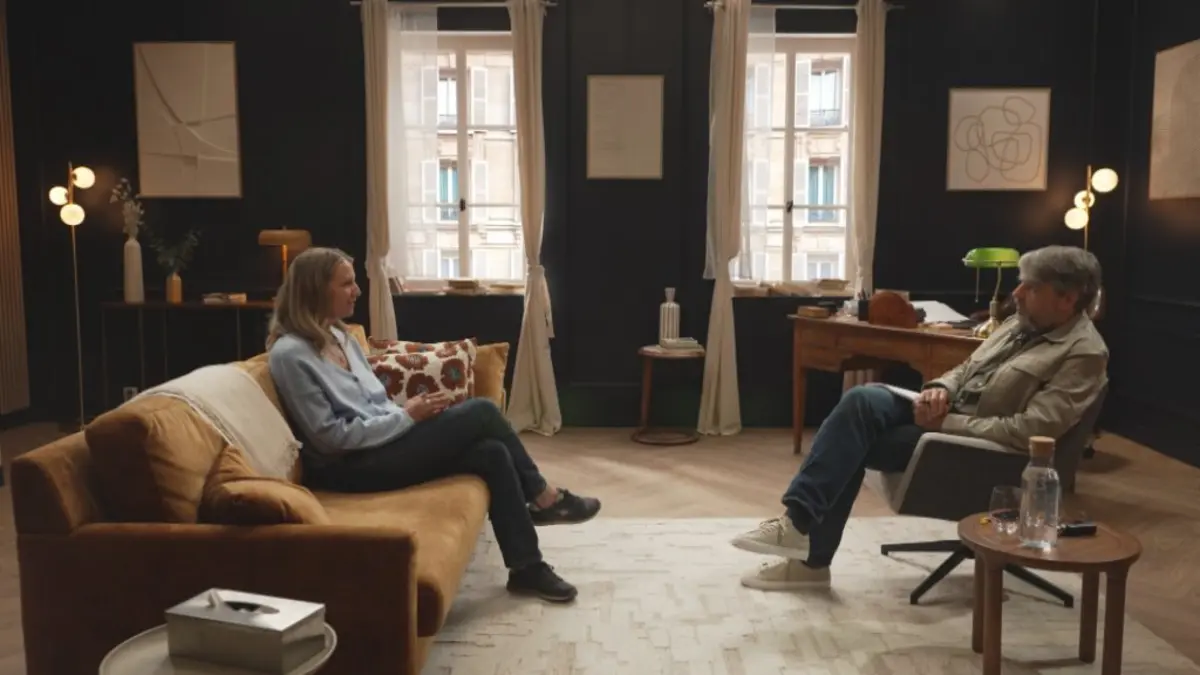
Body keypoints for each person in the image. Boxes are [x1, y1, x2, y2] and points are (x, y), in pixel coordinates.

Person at [731, 245, 1109, 590]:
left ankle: (808, 557)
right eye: (1020, 283)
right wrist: (939, 389)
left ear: (1068, 298)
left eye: (1032, 287)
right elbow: (966, 369)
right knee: (861, 401)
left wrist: (946, 423)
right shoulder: (1020, 324)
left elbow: (1031, 431)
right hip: (945, 414)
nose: (1017, 294)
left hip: (978, 448)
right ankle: (797, 527)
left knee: (850, 441)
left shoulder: (1084, 353)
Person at [266, 247, 601, 603]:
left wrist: (410, 416)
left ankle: (527, 568)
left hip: (383, 443)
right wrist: (407, 417)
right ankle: (544, 497)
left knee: (491, 453)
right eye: (346, 283)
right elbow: (330, 438)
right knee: (483, 412)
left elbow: (375, 403)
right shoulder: (290, 355)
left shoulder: (340, 337)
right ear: (316, 290)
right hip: (350, 466)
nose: (357, 290)